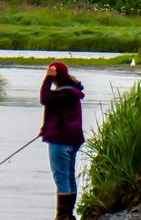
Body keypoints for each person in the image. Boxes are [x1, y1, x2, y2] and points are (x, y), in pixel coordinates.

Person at [40, 61, 85, 220]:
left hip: (60, 140)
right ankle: (69, 214)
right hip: (73, 140)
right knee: (69, 175)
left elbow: (45, 99)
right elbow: (58, 114)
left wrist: (47, 80)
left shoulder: (62, 93)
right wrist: (46, 127)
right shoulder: (71, 92)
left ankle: (63, 215)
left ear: (55, 75)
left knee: (61, 177)